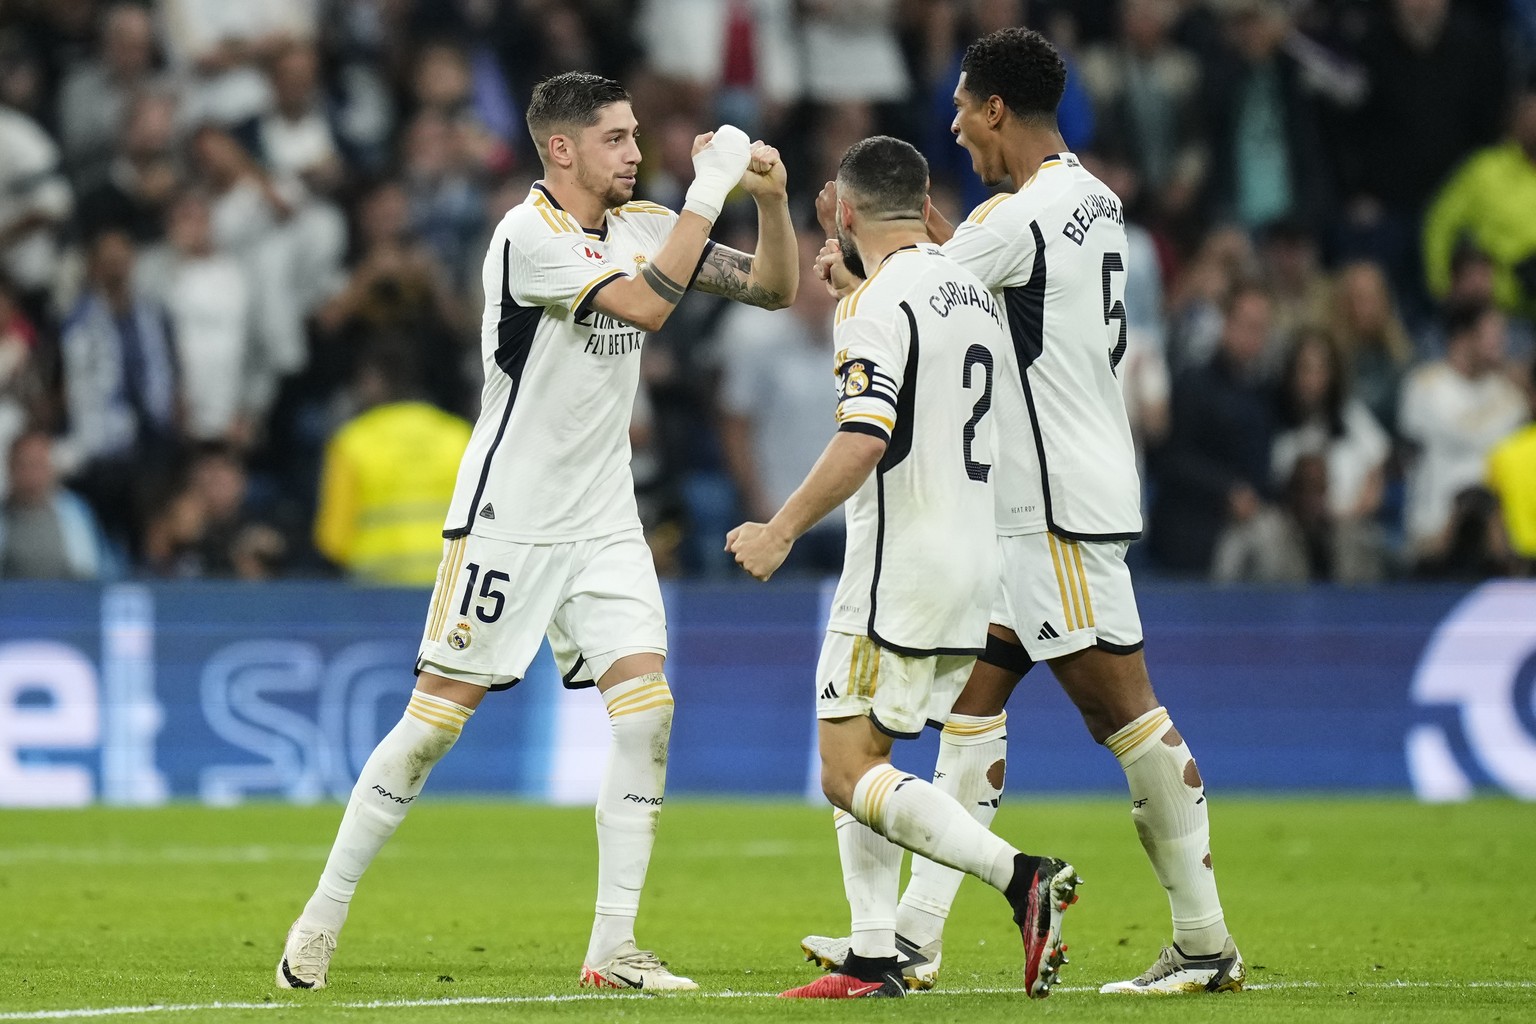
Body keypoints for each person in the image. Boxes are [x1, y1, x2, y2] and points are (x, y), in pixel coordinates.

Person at [276, 70, 797, 993]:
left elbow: (769, 288)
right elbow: (645, 305)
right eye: (616, 139)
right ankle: (320, 916)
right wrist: (708, 189)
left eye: (637, 136)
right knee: (433, 728)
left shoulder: (642, 226)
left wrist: (773, 201)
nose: (636, 153)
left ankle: (612, 950)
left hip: (603, 520)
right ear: (561, 149)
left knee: (649, 715)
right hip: (509, 521)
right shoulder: (528, 237)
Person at [809, 27, 1243, 995]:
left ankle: (1208, 943)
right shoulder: (1098, 202)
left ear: (997, 108)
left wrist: (858, 276)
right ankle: (915, 938)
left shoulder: (1016, 220)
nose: (956, 128)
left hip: (1052, 510)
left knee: (1128, 718)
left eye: (962, 109)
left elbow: (918, 290)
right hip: (1043, 501)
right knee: (972, 712)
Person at [728, 135, 1078, 1001]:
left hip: (898, 563)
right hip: (973, 559)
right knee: (875, 758)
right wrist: (857, 286)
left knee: (846, 770)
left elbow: (866, 435)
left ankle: (1021, 878)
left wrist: (779, 530)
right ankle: (876, 953)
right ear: (925, 208)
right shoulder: (971, 287)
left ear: (844, 214)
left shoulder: (876, 305)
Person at [311, 339, 471, 586]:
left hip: (376, 597)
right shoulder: (460, 436)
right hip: (452, 587)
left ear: (372, 379)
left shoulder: (351, 443)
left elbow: (333, 540)